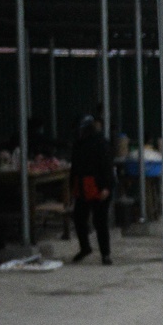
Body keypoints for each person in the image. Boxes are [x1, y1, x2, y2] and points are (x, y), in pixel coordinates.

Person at [69, 113, 114, 263]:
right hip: (82, 186)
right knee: (79, 218)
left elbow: (107, 166)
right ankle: (85, 248)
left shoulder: (101, 142)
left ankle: (105, 254)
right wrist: (71, 189)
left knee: (100, 221)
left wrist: (106, 187)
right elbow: (74, 168)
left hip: (99, 186)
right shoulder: (78, 144)